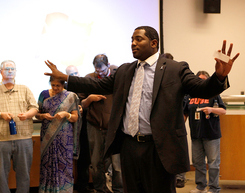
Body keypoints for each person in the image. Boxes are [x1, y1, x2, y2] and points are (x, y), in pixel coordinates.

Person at [43, 25, 239, 193]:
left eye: (139, 39)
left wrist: (219, 77)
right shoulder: (125, 70)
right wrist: (66, 78)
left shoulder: (174, 68)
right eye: (132, 40)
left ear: (154, 43)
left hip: (160, 147)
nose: (133, 43)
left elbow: (201, 89)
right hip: (130, 146)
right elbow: (96, 85)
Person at [0, 60, 38, 193]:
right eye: (7, 69)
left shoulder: (24, 89)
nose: (10, 71)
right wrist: (0, 114)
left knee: (24, 174)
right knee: (0, 175)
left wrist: (28, 114)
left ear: (16, 72)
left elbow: (34, 108)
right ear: (0, 72)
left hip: (23, 139)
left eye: (12, 69)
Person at [80, 54, 122, 193]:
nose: (100, 74)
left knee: (117, 164)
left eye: (103, 71)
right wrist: (90, 99)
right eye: (97, 72)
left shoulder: (117, 78)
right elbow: (82, 104)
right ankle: (100, 190)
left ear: (108, 65)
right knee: (96, 163)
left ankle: (118, 190)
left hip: (114, 128)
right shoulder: (89, 79)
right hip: (94, 126)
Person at [35, 76, 81, 193]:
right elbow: (37, 114)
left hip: (64, 136)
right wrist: (43, 116)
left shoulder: (71, 96)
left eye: (58, 86)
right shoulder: (44, 94)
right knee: (47, 163)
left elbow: (75, 117)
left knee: (64, 164)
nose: (55, 88)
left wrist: (66, 114)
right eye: (53, 85)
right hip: (47, 135)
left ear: (63, 84)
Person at [184, 71, 226, 193]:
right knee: (198, 163)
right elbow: (185, 112)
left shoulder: (214, 94)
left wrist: (211, 109)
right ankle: (201, 187)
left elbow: (223, 111)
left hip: (211, 135)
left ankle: (214, 188)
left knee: (213, 163)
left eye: (204, 80)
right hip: (196, 135)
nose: (201, 82)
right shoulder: (190, 95)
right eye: (199, 80)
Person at [161, 53, 187, 188]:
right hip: (161, 127)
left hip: (175, 126)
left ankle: (180, 177)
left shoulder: (179, 78)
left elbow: (185, 106)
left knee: (176, 154)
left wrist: (181, 121)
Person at [66, 65, 92, 193]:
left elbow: (86, 104)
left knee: (84, 159)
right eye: (71, 74)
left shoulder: (84, 86)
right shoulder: (63, 89)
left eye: (76, 73)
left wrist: (82, 107)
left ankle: (83, 186)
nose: (74, 75)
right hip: (67, 128)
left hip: (84, 128)